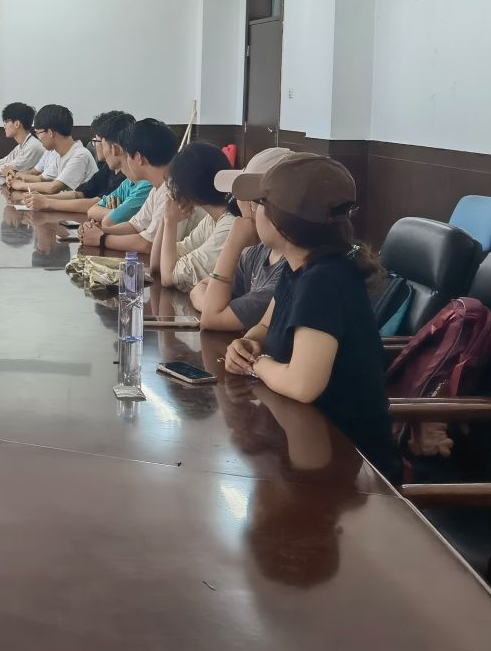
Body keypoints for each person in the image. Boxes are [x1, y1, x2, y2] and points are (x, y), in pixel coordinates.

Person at [222, 153, 397, 482]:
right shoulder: (297, 266)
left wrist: (255, 365)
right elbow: (265, 325)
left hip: (348, 467)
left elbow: (303, 385)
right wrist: (246, 344)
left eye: (260, 204)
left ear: (282, 224)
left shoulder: (325, 280)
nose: (254, 212)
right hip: (305, 439)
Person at [192, 147, 295, 332]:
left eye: (242, 197)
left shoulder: (290, 270)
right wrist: (211, 306)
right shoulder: (258, 252)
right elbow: (200, 289)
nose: (238, 205)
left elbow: (212, 319)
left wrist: (234, 243)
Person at [80, 117, 179, 253]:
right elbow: (135, 226)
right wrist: (98, 231)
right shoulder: (158, 188)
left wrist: (101, 239)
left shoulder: (172, 191)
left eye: (127, 155)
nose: (126, 161)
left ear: (138, 158)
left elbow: (149, 244)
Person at [153, 141, 236, 289]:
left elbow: (168, 277)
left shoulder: (230, 225)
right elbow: (156, 264)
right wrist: (165, 218)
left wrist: (170, 221)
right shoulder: (211, 220)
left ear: (188, 190)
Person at [28, 110, 137, 220]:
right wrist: (43, 198)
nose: (95, 145)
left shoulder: (129, 177)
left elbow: (94, 204)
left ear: (114, 148)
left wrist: (47, 202)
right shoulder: (108, 168)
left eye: (97, 141)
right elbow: (79, 193)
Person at [6, 104, 95, 196]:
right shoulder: (59, 154)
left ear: (50, 132)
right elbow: (41, 178)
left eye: (38, 132)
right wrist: (16, 176)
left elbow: (53, 187)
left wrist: (20, 185)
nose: (38, 137)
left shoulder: (80, 155)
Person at [0, 101, 44, 176]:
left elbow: (9, 169)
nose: (4, 126)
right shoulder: (20, 147)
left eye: (6, 121)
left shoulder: (33, 147)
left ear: (17, 124)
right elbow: (4, 161)